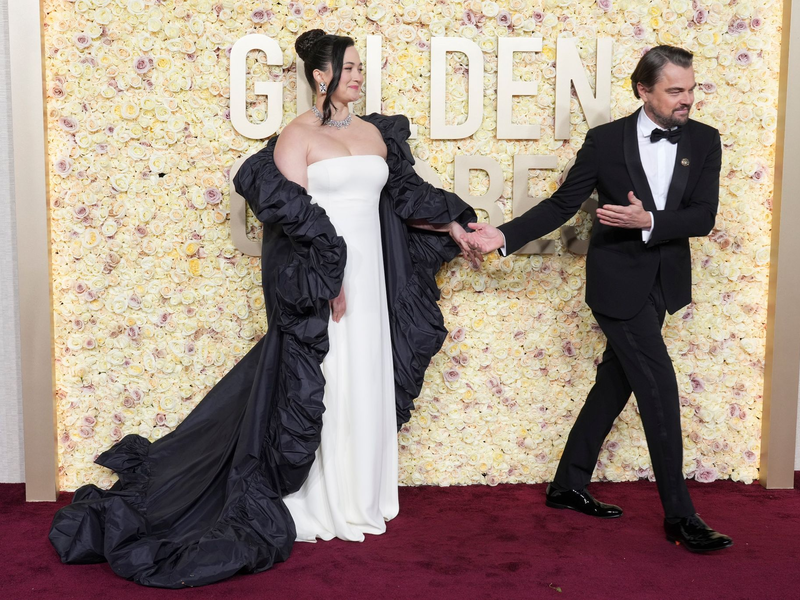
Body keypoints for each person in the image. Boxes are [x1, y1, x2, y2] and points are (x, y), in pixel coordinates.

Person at [49, 29, 477, 588]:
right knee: (328, 379)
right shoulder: (294, 138)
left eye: (358, 69)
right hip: (328, 279)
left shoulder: (376, 133)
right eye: (347, 68)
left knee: (367, 376)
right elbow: (292, 221)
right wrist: (326, 282)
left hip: (374, 277)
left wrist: (456, 222)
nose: (356, 76)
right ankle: (324, 501)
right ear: (321, 75)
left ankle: (364, 495)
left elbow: (405, 198)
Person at [463, 46, 732, 553]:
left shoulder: (705, 140)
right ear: (643, 90)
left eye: (691, 88)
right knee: (659, 389)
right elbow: (565, 203)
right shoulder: (605, 141)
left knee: (616, 383)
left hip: (664, 284)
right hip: (616, 286)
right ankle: (681, 516)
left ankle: (567, 484)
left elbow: (703, 216)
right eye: (675, 90)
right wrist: (501, 236)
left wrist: (649, 220)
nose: (687, 100)